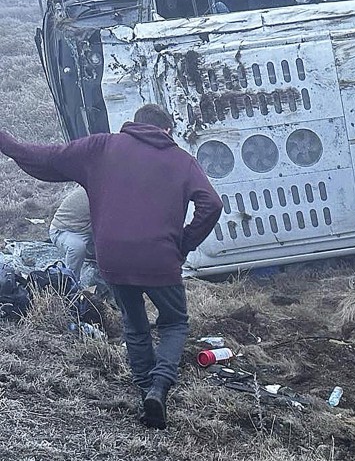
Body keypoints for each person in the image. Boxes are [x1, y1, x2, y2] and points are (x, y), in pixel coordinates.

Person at [0, 104, 223, 429]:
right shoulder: (180, 160)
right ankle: (159, 387)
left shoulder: (101, 147)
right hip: (160, 259)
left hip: (113, 257)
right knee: (174, 322)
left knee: (134, 324)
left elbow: (45, 159)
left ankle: (146, 392)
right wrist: (185, 244)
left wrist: (6, 142)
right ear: (167, 131)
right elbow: (212, 204)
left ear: (134, 125)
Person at [48, 186, 94, 280]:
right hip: (64, 230)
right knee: (78, 247)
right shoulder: (97, 191)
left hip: (89, 232)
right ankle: (71, 283)